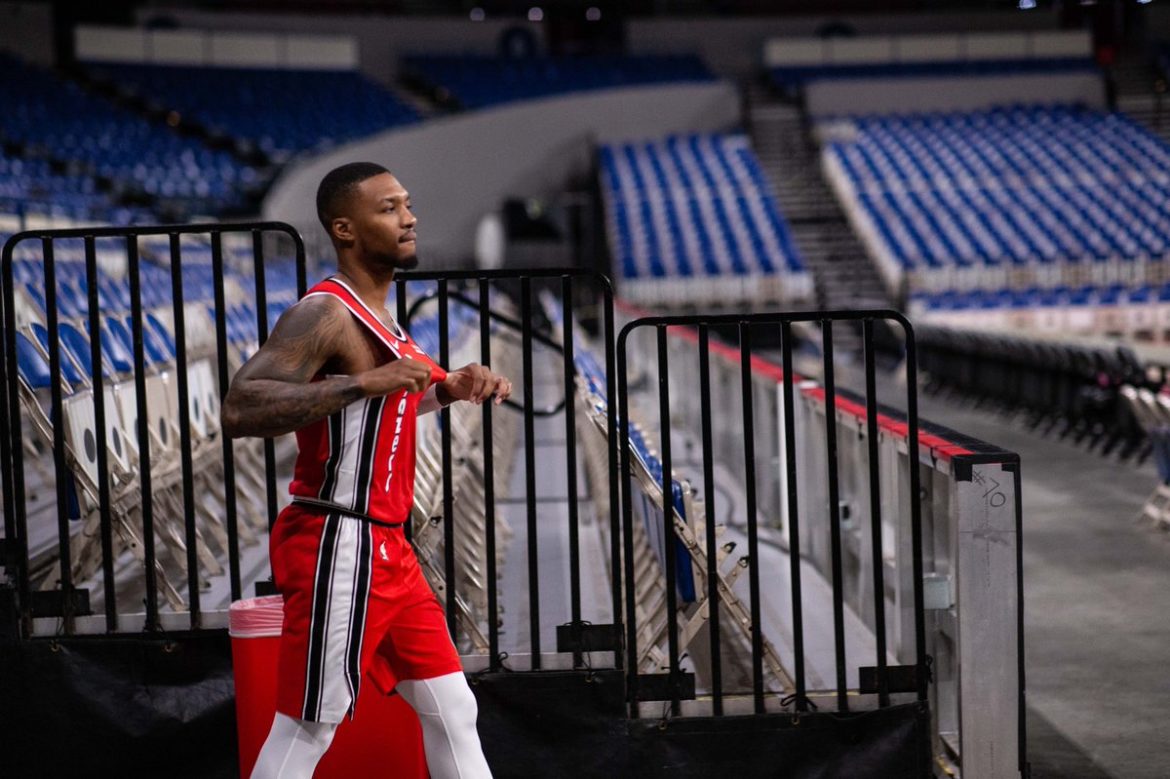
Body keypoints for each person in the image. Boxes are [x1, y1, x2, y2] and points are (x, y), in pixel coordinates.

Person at [222, 161, 509, 779]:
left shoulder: (384, 319)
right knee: (306, 725)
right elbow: (240, 407)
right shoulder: (323, 313)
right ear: (345, 229)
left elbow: (393, 399)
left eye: (407, 204)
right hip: (339, 541)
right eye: (389, 209)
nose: (409, 218)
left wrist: (451, 387)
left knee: (453, 707)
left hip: (388, 548)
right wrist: (359, 382)